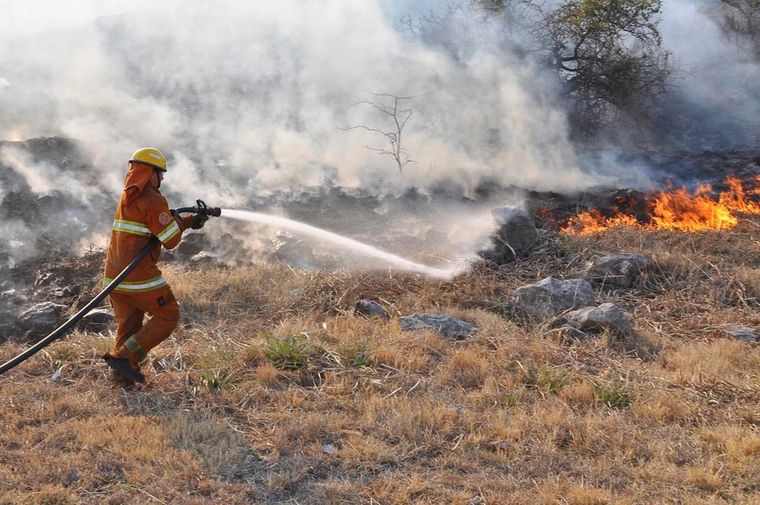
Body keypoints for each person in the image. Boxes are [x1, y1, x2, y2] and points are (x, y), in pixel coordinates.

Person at [102, 147, 207, 384]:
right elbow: (169, 240)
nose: (162, 179)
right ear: (150, 173)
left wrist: (188, 221)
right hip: (138, 277)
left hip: (114, 278)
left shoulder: (127, 195)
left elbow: (155, 227)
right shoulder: (153, 198)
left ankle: (123, 380)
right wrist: (182, 222)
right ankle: (123, 358)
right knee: (168, 314)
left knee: (129, 327)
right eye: (161, 174)